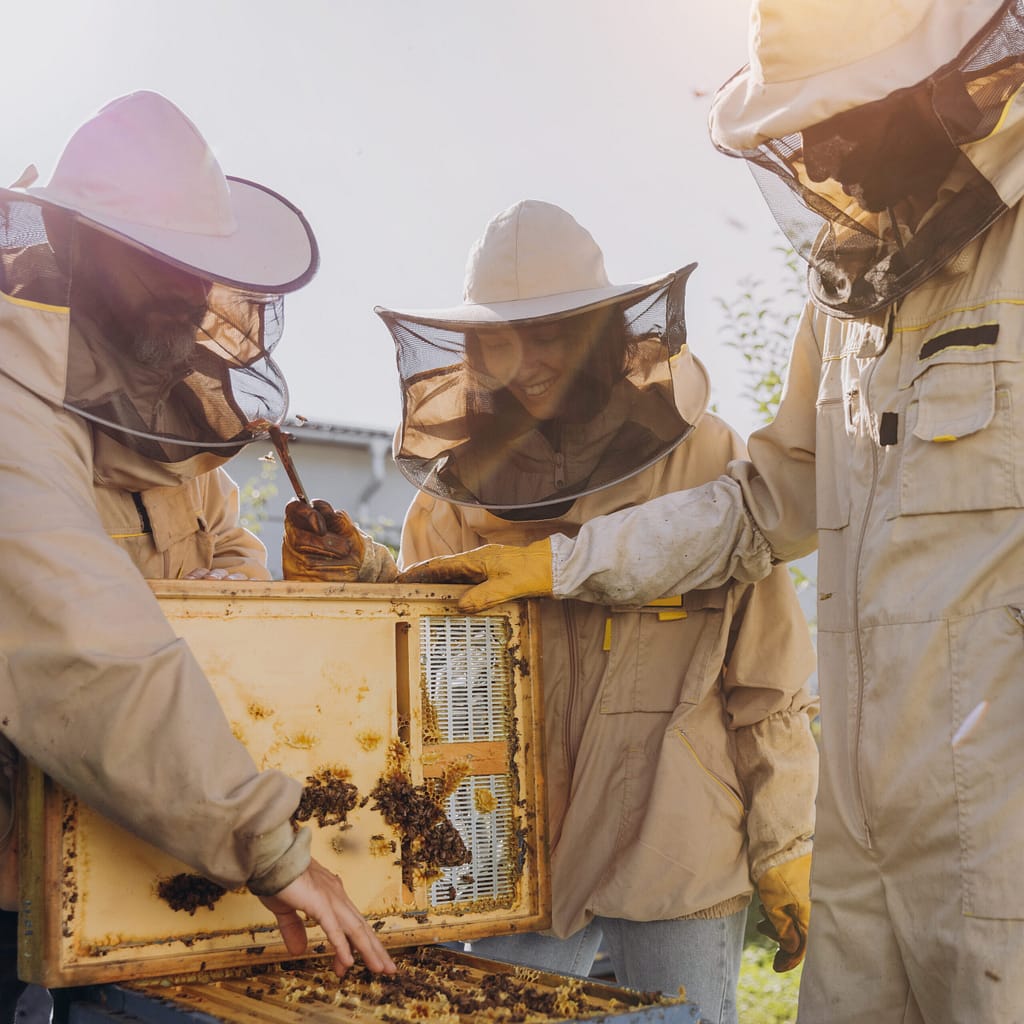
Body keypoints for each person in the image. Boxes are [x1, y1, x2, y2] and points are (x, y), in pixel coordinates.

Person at [399, 3, 1024, 1021]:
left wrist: (773, 837)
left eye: (837, 119)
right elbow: (768, 501)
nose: (816, 152)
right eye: (798, 126)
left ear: (930, 89)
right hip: (863, 825)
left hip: (1001, 817)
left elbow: (763, 673)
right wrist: (560, 563)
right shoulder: (852, 291)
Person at [0, 89, 397, 1016]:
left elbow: (228, 566)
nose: (190, 291)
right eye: (161, 263)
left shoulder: (148, 420)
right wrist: (268, 842)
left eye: (201, 267)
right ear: (75, 239)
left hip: (132, 828)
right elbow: (85, 642)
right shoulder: (12, 390)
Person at [377, 199, 818, 1024]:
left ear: (603, 330)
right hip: (514, 843)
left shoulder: (707, 458)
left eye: (550, 333)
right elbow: (413, 651)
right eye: (503, 338)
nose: (527, 361)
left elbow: (768, 674)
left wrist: (787, 837)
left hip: (680, 835)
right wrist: (355, 573)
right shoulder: (460, 490)